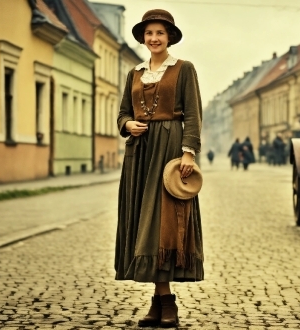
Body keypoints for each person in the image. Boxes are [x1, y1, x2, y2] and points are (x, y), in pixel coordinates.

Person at [115, 9, 203, 328]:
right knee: (143, 225)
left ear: (169, 38)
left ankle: (167, 304)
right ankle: (158, 301)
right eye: (149, 33)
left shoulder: (183, 69)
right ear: (143, 37)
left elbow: (193, 113)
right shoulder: (134, 74)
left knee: (164, 224)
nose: (154, 38)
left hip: (169, 152)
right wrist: (128, 124)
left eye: (160, 34)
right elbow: (123, 112)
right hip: (139, 155)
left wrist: (188, 153)